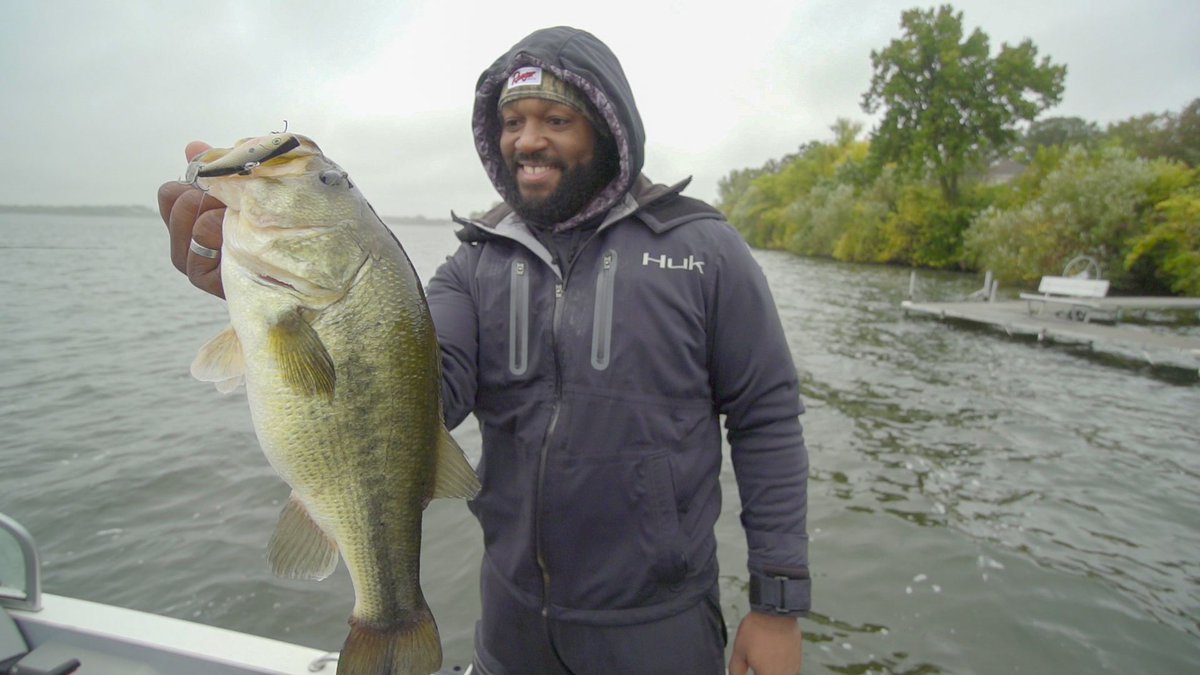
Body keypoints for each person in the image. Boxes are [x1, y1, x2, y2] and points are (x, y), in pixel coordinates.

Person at [159, 26, 810, 675]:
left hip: (661, 628)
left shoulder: (703, 249)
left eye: (555, 117)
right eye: (513, 119)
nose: (527, 138)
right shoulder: (473, 266)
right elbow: (421, 397)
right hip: (510, 623)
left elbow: (768, 420)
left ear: (609, 128)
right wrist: (265, 305)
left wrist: (776, 605)